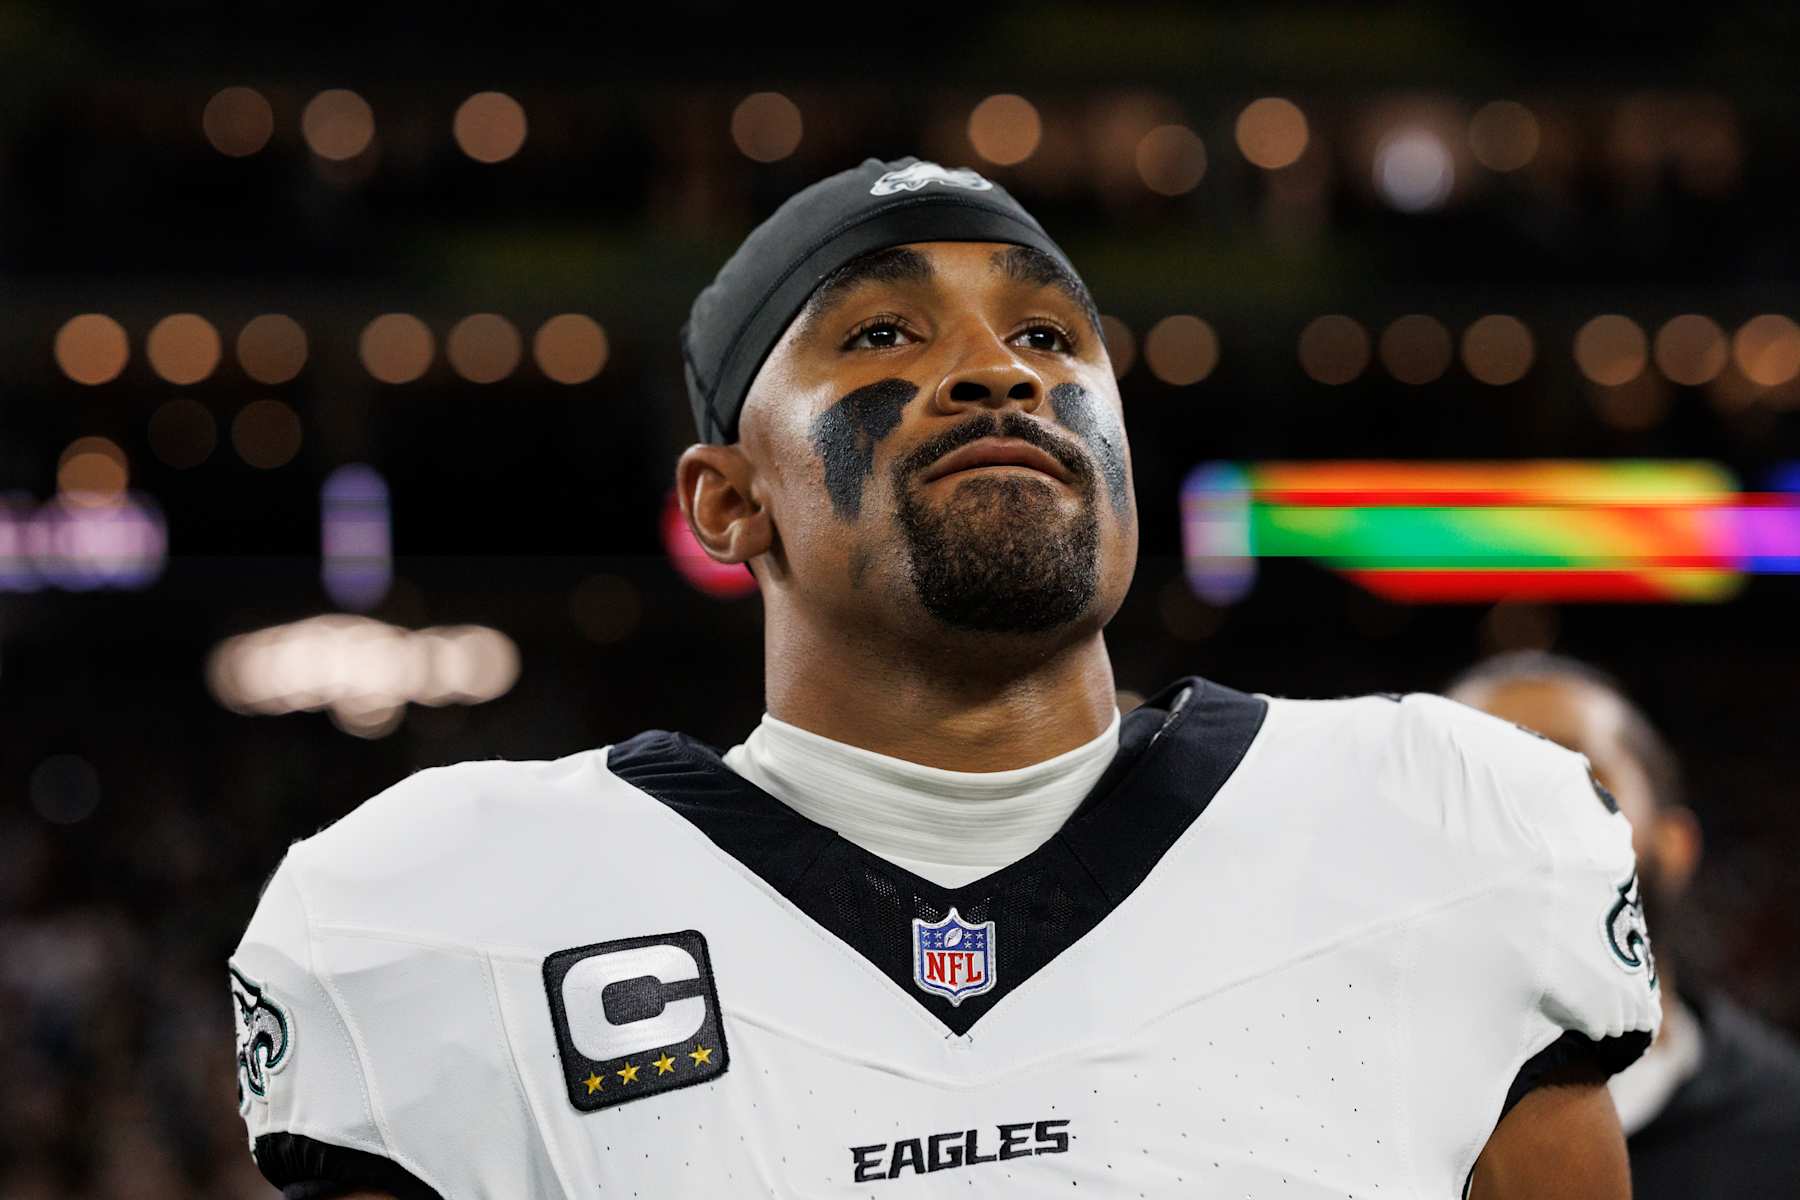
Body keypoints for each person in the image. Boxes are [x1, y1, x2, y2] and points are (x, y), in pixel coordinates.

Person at [229, 156, 1659, 1199]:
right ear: (728, 502)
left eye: (1048, 335)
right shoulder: (449, 907)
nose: (997, 371)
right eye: (882, 336)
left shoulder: (1439, 826)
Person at [1449, 651, 1800, 1199]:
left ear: (1675, 846)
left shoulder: (1783, 1129)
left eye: (1576, 772)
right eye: (1474, 780)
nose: (1519, 810)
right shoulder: (1326, 1113)